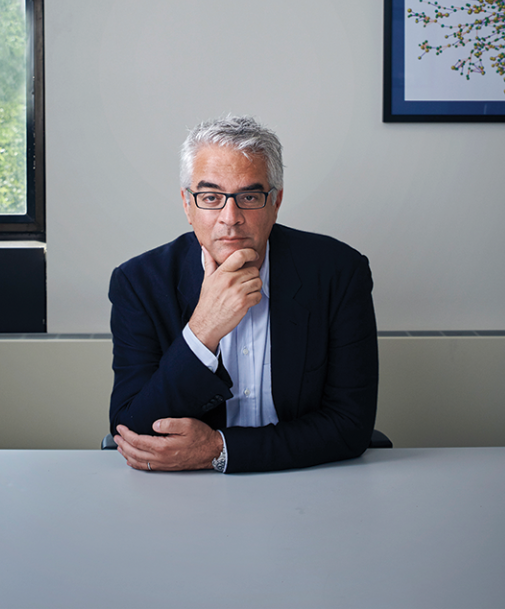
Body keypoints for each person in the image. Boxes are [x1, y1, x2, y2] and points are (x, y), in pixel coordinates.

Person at [109, 115, 378, 474]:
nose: (230, 217)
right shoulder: (139, 282)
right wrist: (203, 330)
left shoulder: (339, 272)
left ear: (276, 202)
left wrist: (220, 450)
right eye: (210, 197)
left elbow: (350, 425)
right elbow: (134, 430)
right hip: (187, 496)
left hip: (307, 481)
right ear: (187, 205)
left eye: (249, 196)